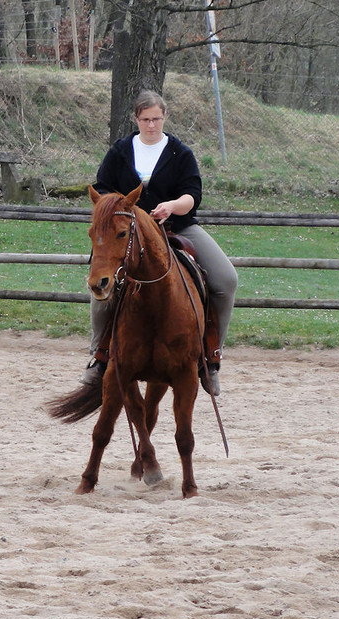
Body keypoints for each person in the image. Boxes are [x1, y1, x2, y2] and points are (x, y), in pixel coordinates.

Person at [81, 90, 238, 396]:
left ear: (164, 117)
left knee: (226, 279)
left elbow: (193, 194)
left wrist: (172, 206)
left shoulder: (181, 153)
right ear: (136, 119)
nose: (151, 125)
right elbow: (102, 190)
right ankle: (99, 357)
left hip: (177, 227)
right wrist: (120, 211)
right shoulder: (120, 151)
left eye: (156, 119)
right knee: (100, 283)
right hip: (126, 235)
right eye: (145, 119)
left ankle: (211, 357)